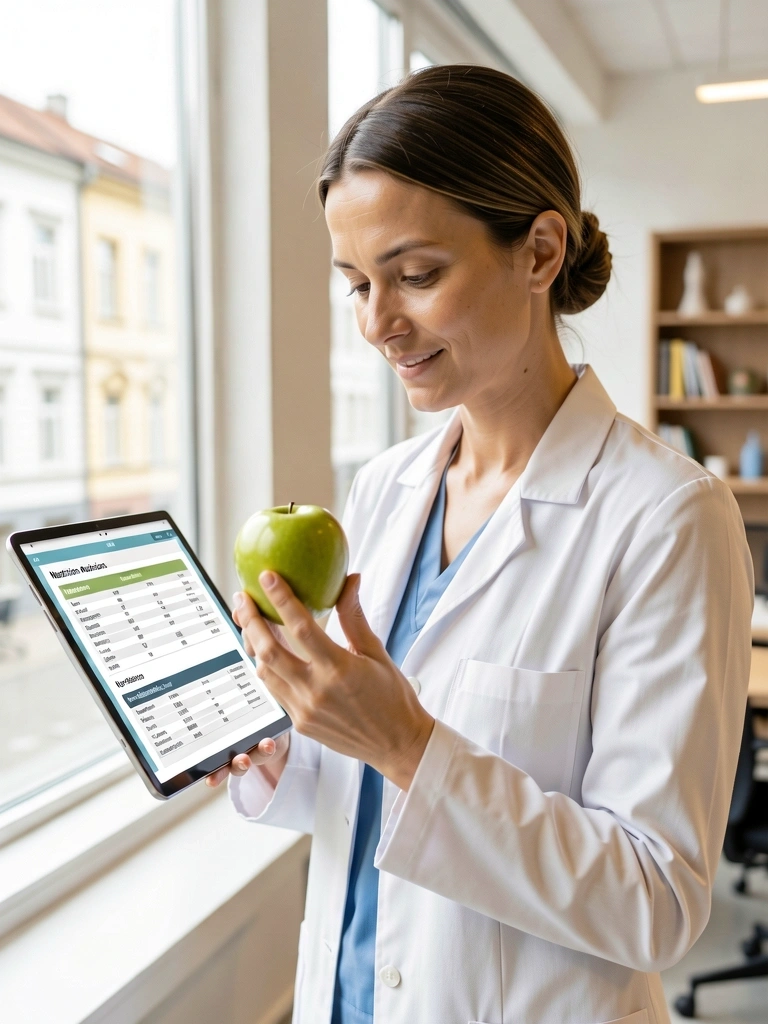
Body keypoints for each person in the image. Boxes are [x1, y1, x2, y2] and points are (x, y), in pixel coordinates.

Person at [207, 65, 753, 1024]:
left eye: (417, 275)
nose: (380, 322)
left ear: (540, 251)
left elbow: (658, 901)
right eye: (357, 284)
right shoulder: (383, 493)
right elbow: (374, 806)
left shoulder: (666, 518)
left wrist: (408, 742)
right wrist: (287, 757)